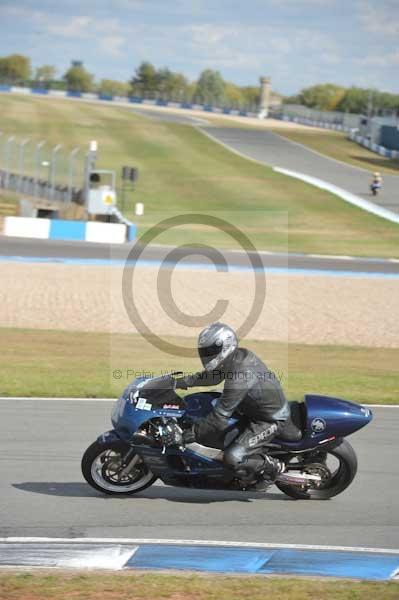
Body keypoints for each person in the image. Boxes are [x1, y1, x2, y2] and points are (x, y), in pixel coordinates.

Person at [165, 322, 290, 490]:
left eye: (210, 352)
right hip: (249, 410)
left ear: (225, 348)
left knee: (233, 457)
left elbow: (219, 418)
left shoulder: (241, 376)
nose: (206, 355)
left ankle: (271, 468)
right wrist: (178, 382)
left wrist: (188, 435)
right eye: (204, 352)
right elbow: (213, 377)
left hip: (269, 420)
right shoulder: (234, 358)